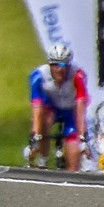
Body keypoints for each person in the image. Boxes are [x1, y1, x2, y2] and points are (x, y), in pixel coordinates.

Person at [29, 42, 88, 171]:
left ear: (68, 65)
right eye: (55, 65)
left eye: (63, 65)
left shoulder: (77, 76)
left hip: (71, 111)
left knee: (73, 159)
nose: (59, 69)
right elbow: (37, 107)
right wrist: (35, 135)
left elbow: (80, 106)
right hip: (51, 108)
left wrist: (83, 138)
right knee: (45, 120)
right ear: (49, 65)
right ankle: (43, 160)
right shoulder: (39, 76)